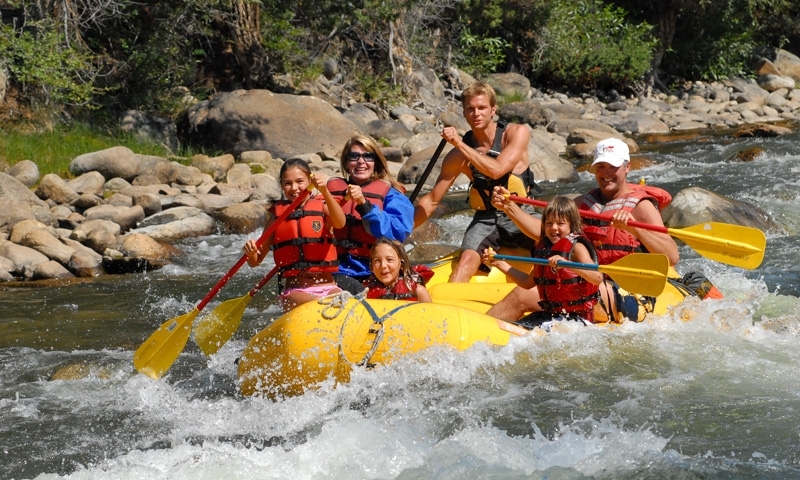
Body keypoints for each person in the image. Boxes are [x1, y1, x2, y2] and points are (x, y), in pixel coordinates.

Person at [486, 137, 680, 322]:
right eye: (601, 166)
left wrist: (636, 230)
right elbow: (548, 232)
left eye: (613, 166)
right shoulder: (582, 204)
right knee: (526, 292)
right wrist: (509, 208)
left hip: (629, 291)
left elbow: (671, 256)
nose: (606, 173)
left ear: (627, 167)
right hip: (590, 279)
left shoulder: (641, 206)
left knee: (524, 294)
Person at [414, 82, 539, 283]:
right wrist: (400, 230)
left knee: (551, 238)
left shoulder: (515, 133)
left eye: (482, 108)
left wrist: (458, 143)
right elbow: (432, 201)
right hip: (487, 217)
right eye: (470, 109)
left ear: (493, 110)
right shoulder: (458, 155)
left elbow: (497, 170)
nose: (476, 113)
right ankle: (451, 303)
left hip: (522, 210)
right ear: (464, 113)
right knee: (466, 260)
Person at [482, 196, 602, 330]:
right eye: (549, 223)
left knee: (524, 334)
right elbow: (527, 283)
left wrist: (568, 264)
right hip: (552, 315)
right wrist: (500, 263)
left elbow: (597, 278)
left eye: (560, 223)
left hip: (578, 320)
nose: (553, 228)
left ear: (571, 225)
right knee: (513, 328)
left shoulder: (577, 248)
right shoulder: (546, 249)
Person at [243, 158, 346, 311]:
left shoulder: (322, 207)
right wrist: (250, 253)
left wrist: (325, 191)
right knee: (318, 305)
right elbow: (255, 261)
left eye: (300, 181)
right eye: (288, 183)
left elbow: (340, 223)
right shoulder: (276, 217)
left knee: (343, 301)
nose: (294, 188)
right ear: (281, 185)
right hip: (296, 291)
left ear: (310, 181)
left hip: (329, 287)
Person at [327, 135, 415, 294]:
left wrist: (365, 205)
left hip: (377, 270)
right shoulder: (330, 193)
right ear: (346, 164)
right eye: (354, 156)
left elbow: (398, 232)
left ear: (376, 163)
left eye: (368, 156)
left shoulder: (392, 195)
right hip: (339, 270)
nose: (361, 161)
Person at [363, 237, 432, 302]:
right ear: (371, 266)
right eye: (377, 261)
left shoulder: (418, 292)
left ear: (401, 264)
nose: (383, 266)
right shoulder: (365, 293)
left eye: (389, 259)